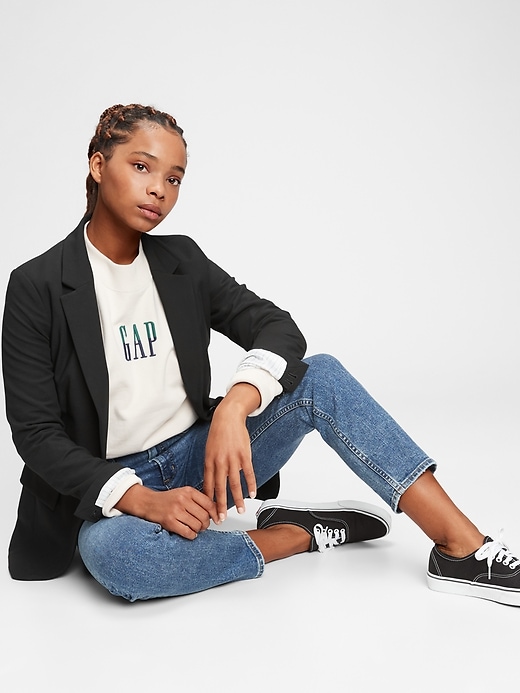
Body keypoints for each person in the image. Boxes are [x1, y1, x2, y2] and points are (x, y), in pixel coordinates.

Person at [2, 103, 519, 605]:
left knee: (321, 377)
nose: (159, 189)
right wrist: (142, 500)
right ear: (98, 166)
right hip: (113, 482)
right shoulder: (37, 286)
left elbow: (276, 327)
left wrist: (236, 404)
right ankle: (294, 535)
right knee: (116, 557)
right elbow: (36, 433)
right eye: (142, 167)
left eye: (175, 178)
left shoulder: (182, 261)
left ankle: (462, 550)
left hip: (203, 457)